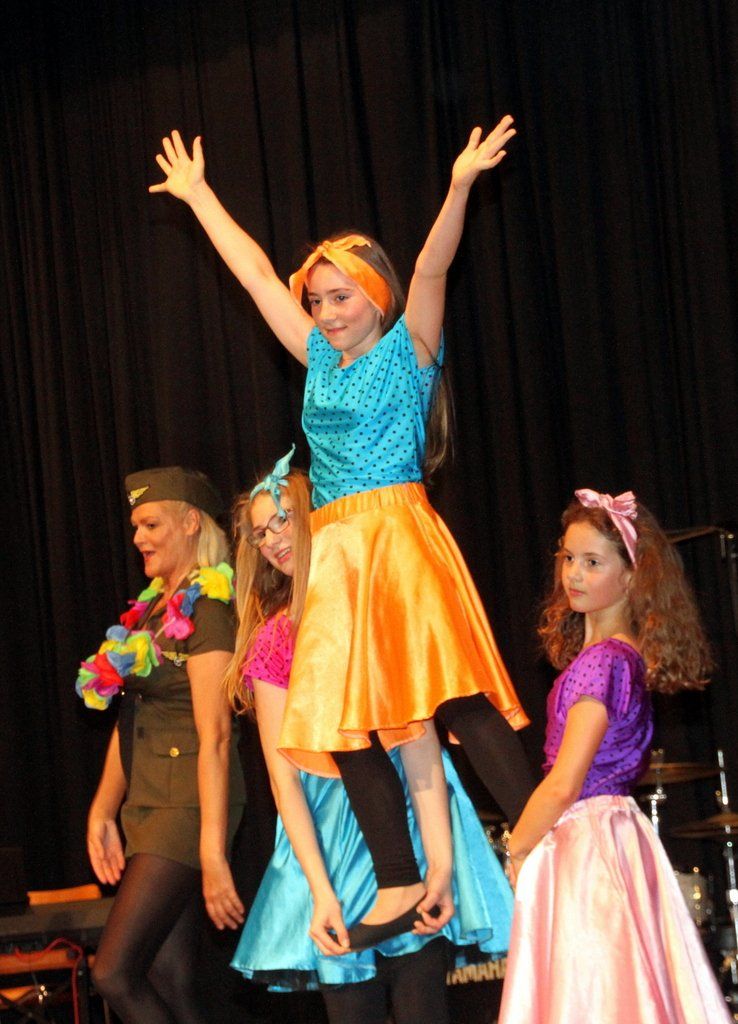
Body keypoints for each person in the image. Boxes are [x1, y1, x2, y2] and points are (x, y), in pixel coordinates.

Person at [150, 121, 535, 945]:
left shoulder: (408, 350)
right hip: (334, 551)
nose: (325, 314)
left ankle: (542, 824)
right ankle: (397, 877)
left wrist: (460, 185)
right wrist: (200, 197)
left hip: (394, 537)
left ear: (376, 297)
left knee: (452, 694)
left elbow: (432, 267)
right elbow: (256, 275)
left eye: (342, 298)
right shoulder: (318, 360)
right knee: (338, 711)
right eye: (318, 301)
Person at [224, 457, 514, 1024]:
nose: (273, 539)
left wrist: (440, 865)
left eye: (283, 520)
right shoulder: (275, 640)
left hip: (407, 816)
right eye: (260, 533)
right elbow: (284, 781)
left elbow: (420, 741)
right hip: (330, 841)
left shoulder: (373, 609)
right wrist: (320, 890)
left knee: (424, 1004)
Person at [498, 488, 732, 1024]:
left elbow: (564, 782)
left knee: (594, 992)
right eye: (569, 558)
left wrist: (518, 848)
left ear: (631, 577)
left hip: (587, 843)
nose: (573, 574)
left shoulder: (601, 663)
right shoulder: (622, 656)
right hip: (617, 834)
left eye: (593, 562)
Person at [76, 467, 246, 1024]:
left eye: (150, 524)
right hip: (149, 801)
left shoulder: (210, 609)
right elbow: (133, 718)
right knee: (167, 978)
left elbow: (216, 736)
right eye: (136, 527)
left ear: (191, 522)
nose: (138, 538)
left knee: (113, 972)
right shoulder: (151, 610)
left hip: (189, 804)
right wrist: (104, 809)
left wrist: (213, 853)